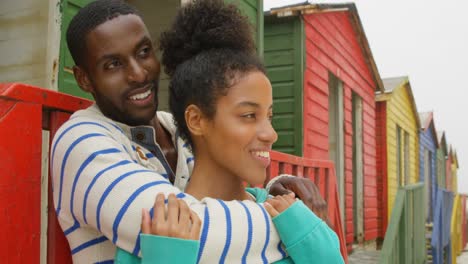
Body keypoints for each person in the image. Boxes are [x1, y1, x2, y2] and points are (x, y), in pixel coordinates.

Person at [51, 0, 331, 262]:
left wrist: (274, 192)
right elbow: (196, 233)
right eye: (113, 64)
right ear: (84, 78)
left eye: (144, 52)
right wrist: (300, 224)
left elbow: (219, 189)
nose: (138, 73)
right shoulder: (81, 141)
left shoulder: (175, 126)